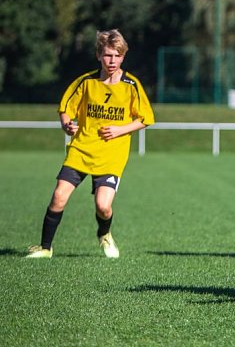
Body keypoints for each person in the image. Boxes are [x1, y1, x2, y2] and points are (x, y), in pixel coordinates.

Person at [26, 29, 155, 259]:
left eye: (116, 55)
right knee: (58, 196)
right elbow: (66, 109)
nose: (112, 61)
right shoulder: (86, 82)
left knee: (103, 206)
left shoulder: (131, 85)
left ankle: (104, 234)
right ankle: (45, 248)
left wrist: (119, 130)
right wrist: (66, 124)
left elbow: (146, 119)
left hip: (111, 154)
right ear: (98, 55)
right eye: (107, 55)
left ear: (123, 56)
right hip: (82, 149)